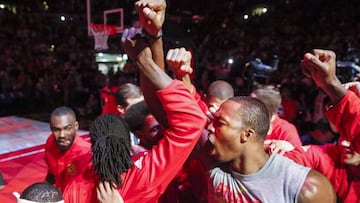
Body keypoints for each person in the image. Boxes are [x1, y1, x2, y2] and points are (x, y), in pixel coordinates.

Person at [206, 96, 336, 202]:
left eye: (220, 123)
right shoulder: (214, 166)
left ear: (247, 134)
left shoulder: (306, 188)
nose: (210, 128)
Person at [44, 106, 92, 195]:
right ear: (51, 129)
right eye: (57, 130)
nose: (62, 135)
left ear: (76, 126)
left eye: (68, 128)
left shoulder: (87, 153)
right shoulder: (50, 143)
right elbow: (51, 173)